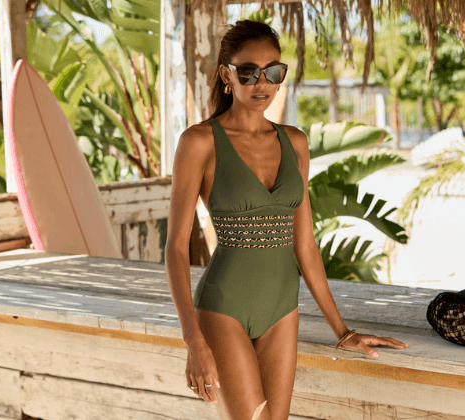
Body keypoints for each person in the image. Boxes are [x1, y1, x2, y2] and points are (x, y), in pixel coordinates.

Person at [165, 20, 407, 420]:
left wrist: (342, 331)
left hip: (282, 308)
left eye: (273, 71)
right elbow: (175, 247)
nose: (262, 83)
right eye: (248, 72)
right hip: (224, 306)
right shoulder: (199, 141)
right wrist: (193, 341)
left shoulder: (294, 141)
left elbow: (305, 245)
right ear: (227, 75)